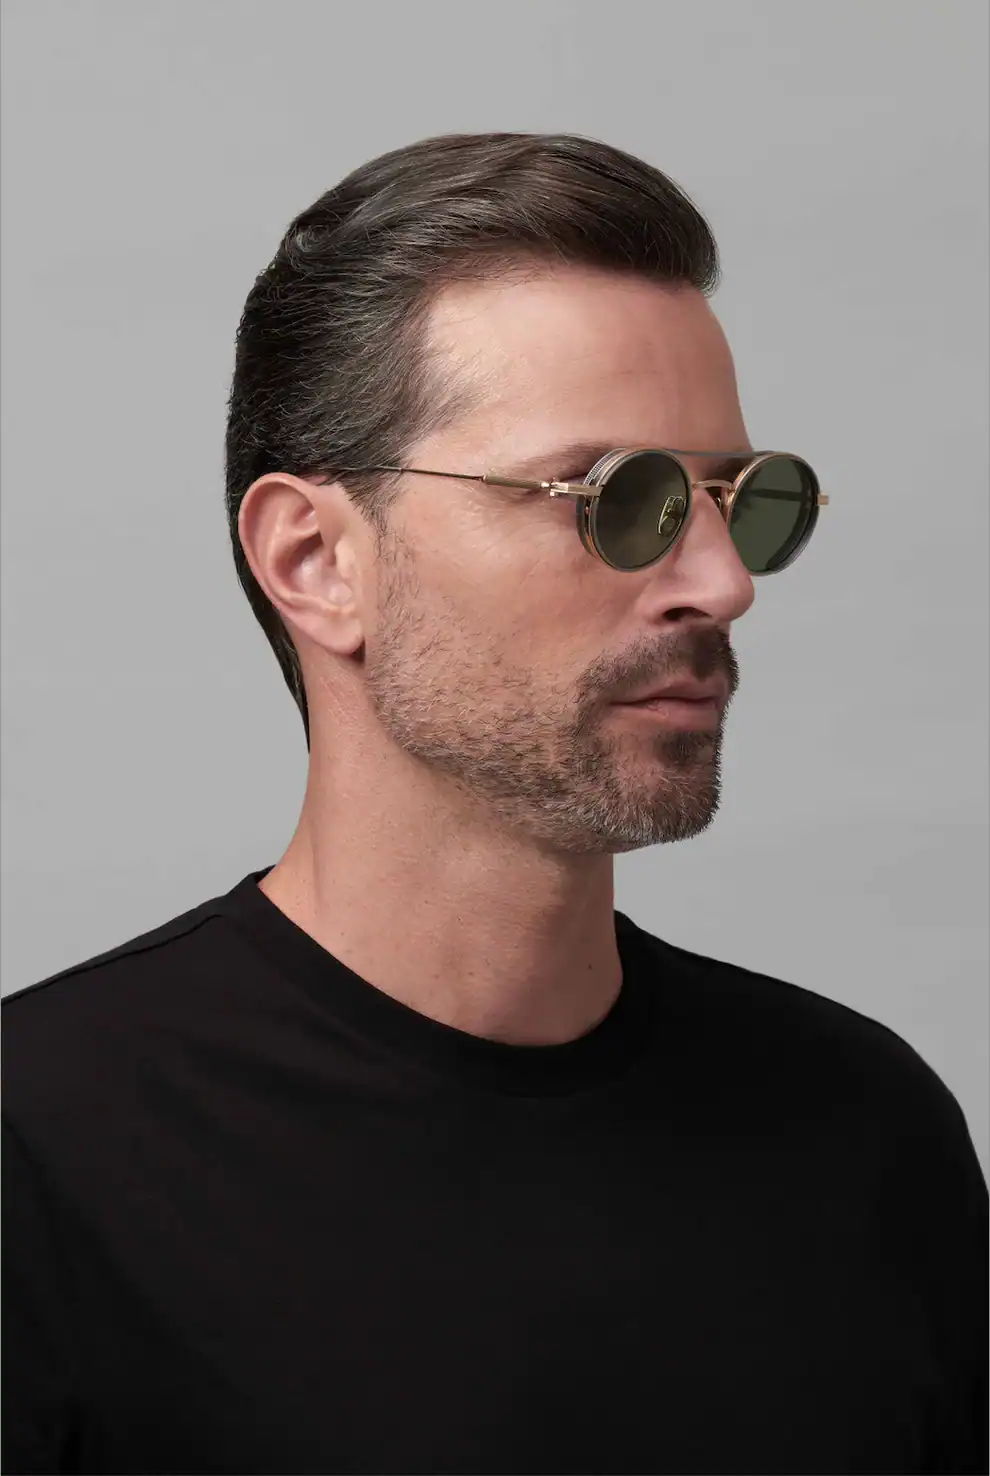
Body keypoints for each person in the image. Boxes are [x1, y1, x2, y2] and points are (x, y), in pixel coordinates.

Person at [2, 131, 986, 1476]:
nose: (723, 583)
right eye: (615, 498)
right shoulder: (41, 1156)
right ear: (317, 559)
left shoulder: (865, 1135)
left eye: (738, 502)